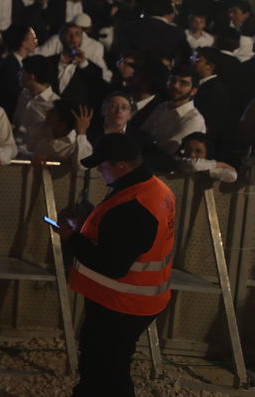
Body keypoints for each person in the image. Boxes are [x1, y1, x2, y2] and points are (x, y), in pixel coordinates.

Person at [53, 133, 175, 397]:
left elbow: (111, 265)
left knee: (107, 371)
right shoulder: (155, 189)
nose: (98, 169)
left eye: (102, 164)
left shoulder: (133, 206)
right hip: (137, 301)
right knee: (107, 367)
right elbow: (127, 243)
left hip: (121, 304)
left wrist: (71, 238)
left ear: (121, 165)